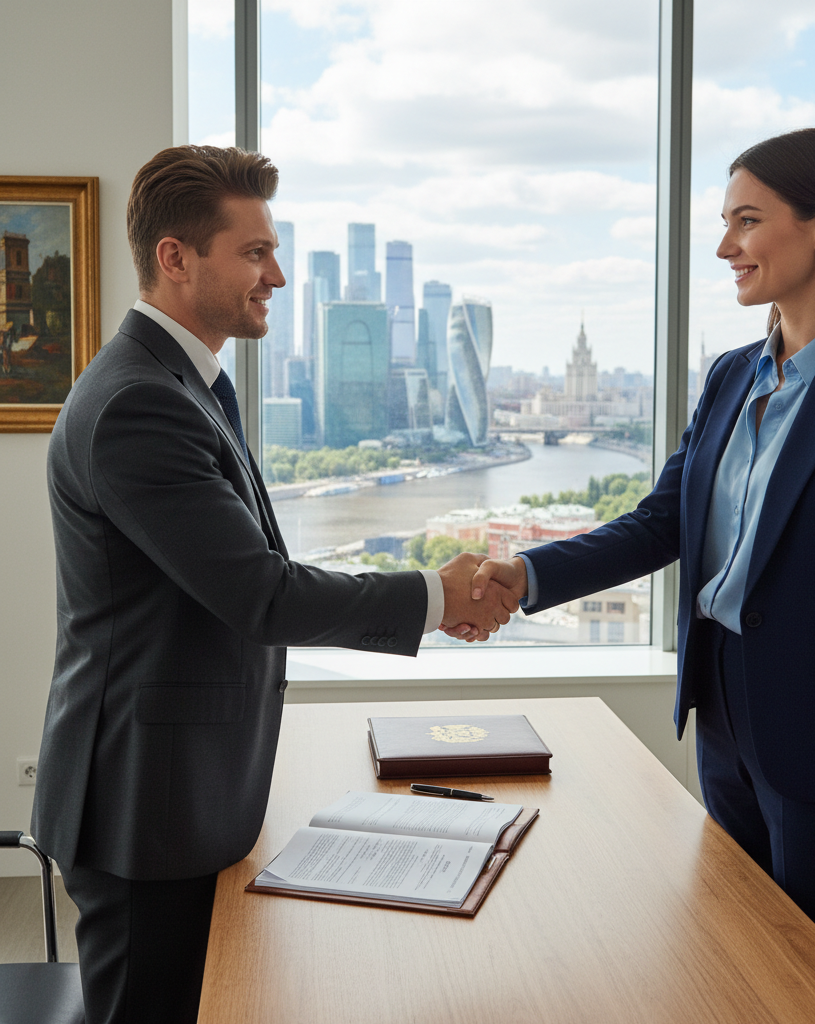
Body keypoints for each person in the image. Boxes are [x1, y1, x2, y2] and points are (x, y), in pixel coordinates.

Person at [460, 128, 815, 1002]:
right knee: (738, 960)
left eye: (747, 221)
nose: (725, 247)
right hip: (724, 715)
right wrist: (528, 577)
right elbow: (664, 523)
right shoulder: (733, 376)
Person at [32, 145, 517, 1024]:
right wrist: (438, 598)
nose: (278, 275)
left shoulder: (190, 386)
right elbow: (262, 595)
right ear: (176, 258)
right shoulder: (138, 403)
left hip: (186, 786)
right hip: (146, 805)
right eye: (255, 252)